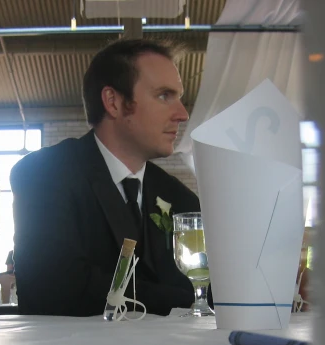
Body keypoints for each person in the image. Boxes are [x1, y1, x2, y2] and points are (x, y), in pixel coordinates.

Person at [11, 39, 199, 316]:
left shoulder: (180, 197)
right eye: (164, 96)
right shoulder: (45, 174)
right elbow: (52, 287)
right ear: (113, 102)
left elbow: (207, 289)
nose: (182, 114)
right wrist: (180, 299)